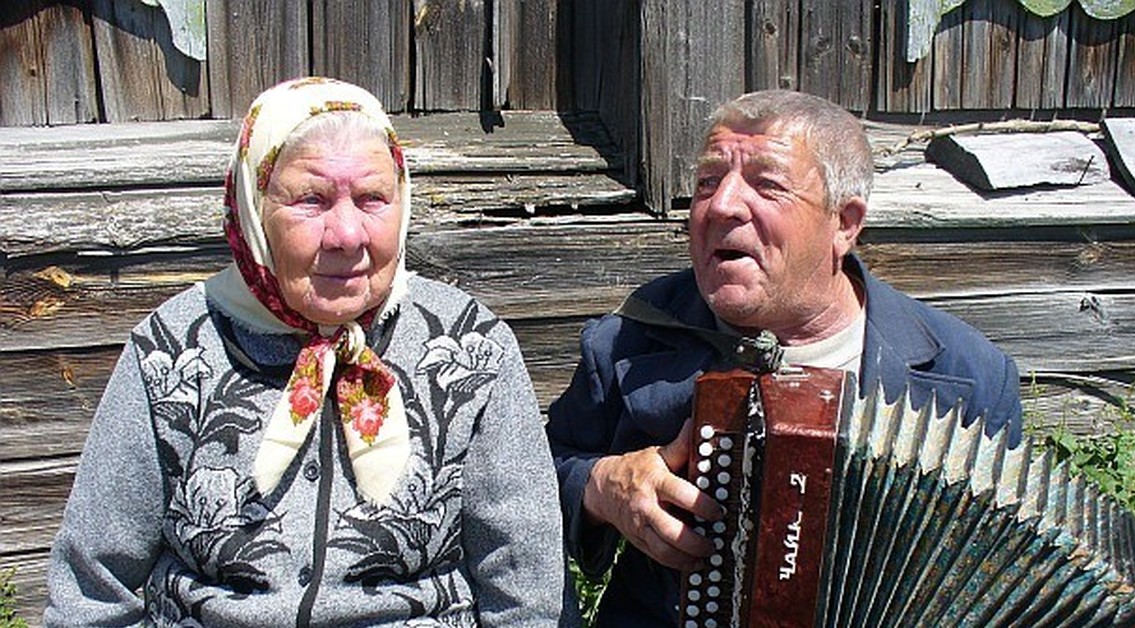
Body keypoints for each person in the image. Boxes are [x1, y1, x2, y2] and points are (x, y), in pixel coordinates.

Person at [44, 77, 568, 626]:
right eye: (311, 200)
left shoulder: (471, 350)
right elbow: (93, 587)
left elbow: (525, 585)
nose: (346, 234)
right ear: (255, 209)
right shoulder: (171, 349)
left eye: (372, 199)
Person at [545, 90, 1023, 626]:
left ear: (844, 224)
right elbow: (530, 480)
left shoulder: (970, 376)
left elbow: (992, 577)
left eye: (767, 185)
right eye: (707, 182)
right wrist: (601, 486)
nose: (722, 205)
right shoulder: (632, 339)